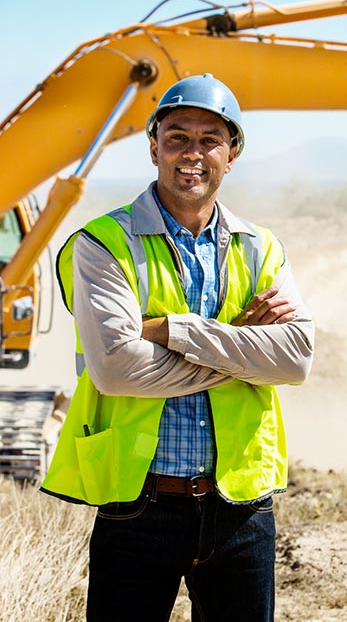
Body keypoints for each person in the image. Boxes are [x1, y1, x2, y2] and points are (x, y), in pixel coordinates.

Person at [41, 73, 315, 622]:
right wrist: (241, 352)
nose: (193, 153)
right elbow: (117, 368)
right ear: (153, 147)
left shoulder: (261, 248)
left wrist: (172, 330)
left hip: (240, 509)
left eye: (210, 140)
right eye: (177, 138)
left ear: (232, 154)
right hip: (137, 509)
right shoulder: (102, 244)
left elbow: (296, 358)